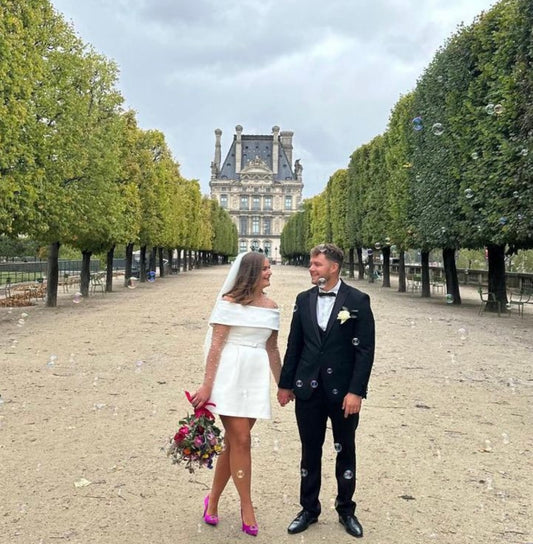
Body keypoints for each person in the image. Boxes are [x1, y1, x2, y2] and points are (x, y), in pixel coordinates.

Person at [278, 243, 375, 538]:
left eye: (317, 264)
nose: (311, 268)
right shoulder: (303, 299)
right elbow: (294, 344)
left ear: (333, 268)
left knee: (346, 450)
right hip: (307, 389)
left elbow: (365, 351)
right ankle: (309, 509)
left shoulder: (358, 300)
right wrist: (285, 384)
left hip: (343, 392)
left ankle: (346, 509)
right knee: (309, 451)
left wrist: (356, 391)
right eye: (311, 263)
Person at [191, 251, 281, 537]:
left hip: (254, 378)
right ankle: (246, 505)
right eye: (265, 269)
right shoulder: (228, 303)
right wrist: (207, 386)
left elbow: (272, 349)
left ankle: (212, 500)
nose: (269, 272)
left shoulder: (271, 306)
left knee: (233, 444)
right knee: (242, 439)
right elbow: (215, 347)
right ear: (251, 273)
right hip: (229, 377)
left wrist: (282, 384)